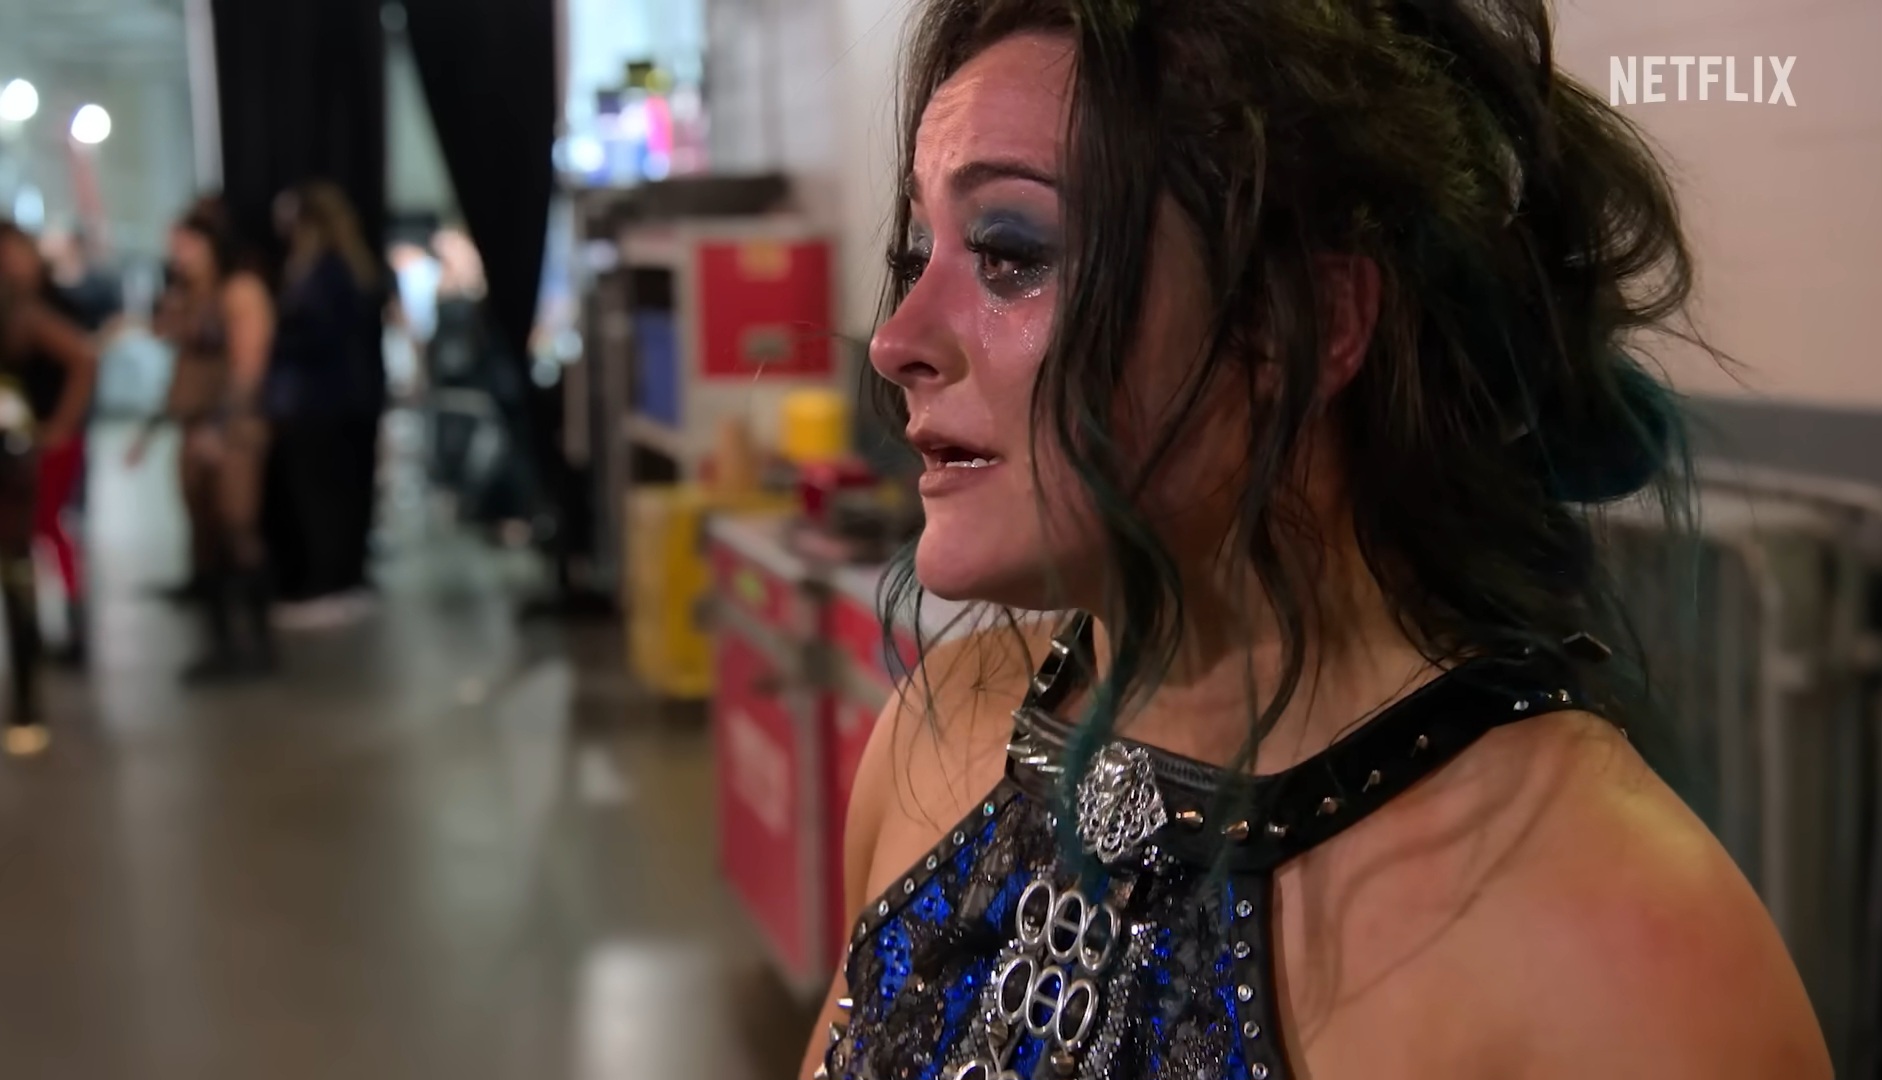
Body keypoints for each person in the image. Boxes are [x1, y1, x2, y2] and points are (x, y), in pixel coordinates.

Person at [804, 3, 1832, 1079]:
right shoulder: (935, 740)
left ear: (1305, 320)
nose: (896, 340)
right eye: (914, 254)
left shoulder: (1614, 952)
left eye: (1011, 254)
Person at [134, 198, 276, 682]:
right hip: (193, 427)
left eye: (187, 244)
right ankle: (222, 644)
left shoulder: (239, 292)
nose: (179, 254)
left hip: (231, 431)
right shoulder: (191, 295)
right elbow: (175, 359)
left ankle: (256, 644)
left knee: (238, 530)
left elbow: (248, 368)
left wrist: (219, 428)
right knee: (205, 537)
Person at [261, 181, 384, 629]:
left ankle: (330, 586)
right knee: (337, 497)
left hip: (320, 404)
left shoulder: (325, 275)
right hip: (342, 402)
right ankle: (338, 581)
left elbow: (319, 337)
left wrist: (277, 340)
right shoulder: (348, 270)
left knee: (323, 501)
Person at [0, 222, 98, 753]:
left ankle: (33, 688)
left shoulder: (29, 312)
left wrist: (59, 427)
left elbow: (83, 356)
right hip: (24, 449)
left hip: (24, 454)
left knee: (39, 542)